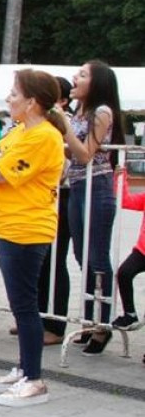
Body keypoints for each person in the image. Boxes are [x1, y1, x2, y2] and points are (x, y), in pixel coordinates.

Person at [0, 69, 66, 407]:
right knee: (20, 305)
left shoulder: (44, 137)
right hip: (8, 225)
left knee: (25, 306)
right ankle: (24, 368)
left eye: (14, 94)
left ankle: (34, 379)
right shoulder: (20, 131)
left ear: (32, 102)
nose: (9, 99)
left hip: (27, 228)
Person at [63, 60, 124, 355]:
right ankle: (89, 320)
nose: (75, 77)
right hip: (76, 186)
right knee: (81, 255)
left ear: (97, 82)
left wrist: (63, 127)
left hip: (97, 186)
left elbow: (86, 154)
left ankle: (102, 325)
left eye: (83, 74)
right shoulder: (79, 112)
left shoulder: (102, 112)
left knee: (97, 256)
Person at [37, 77, 75, 345]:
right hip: (43, 195)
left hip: (63, 193)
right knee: (41, 261)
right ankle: (38, 316)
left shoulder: (63, 123)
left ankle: (56, 323)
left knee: (55, 260)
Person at [111, 168, 145, 333]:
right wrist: (121, 178)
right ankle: (130, 314)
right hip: (142, 250)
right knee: (124, 273)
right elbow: (125, 201)